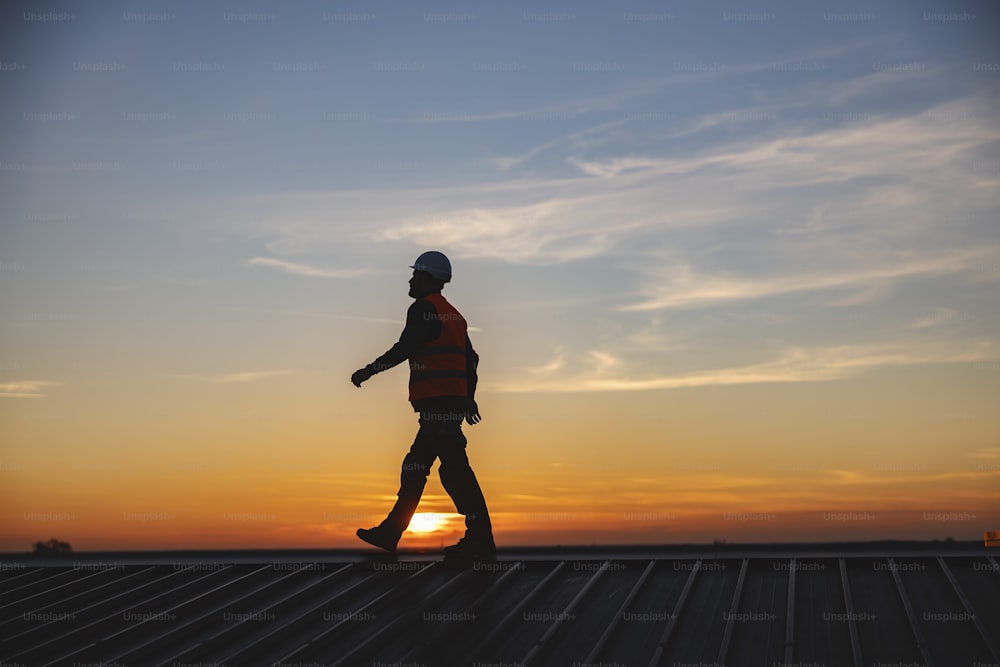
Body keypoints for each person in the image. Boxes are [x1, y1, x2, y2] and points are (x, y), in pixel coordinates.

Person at [351, 251, 496, 559]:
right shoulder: (453, 315)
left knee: (448, 471)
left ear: (428, 279)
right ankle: (393, 531)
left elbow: (405, 347)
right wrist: (468, 397)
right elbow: (471, 359)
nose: (410, 280)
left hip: (439, 406)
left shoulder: (423, 310)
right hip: (449, 404)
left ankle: (479, 540)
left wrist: (369, 370)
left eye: (415, 275)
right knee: (429, 468)